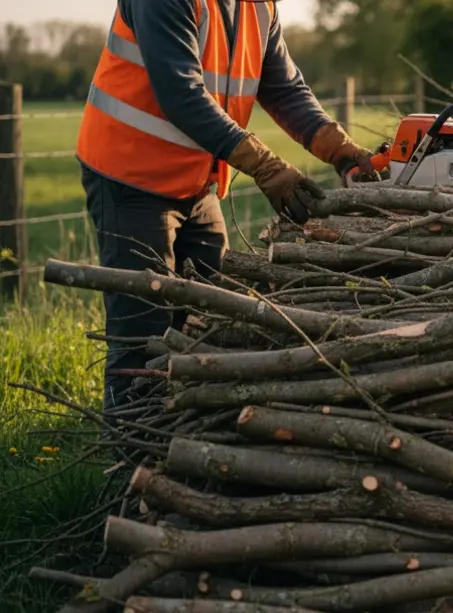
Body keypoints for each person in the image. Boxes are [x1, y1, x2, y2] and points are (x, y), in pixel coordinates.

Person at [75, 0, 375, 411]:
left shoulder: (257, 6)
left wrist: (338, 148)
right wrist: (266, 166)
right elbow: (182, 94)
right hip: (131, 176)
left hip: (197, 184)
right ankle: (129, 460)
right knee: (143, 334)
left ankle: (181, 451)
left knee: (206, 321)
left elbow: (284, 88)